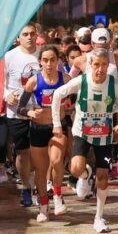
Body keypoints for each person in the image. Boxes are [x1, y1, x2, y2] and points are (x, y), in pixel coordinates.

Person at [52, 48, 118, 233]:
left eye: (104, 65)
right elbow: (57, 95)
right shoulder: (82, 81)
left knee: (103, 178)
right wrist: (57, 124)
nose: (100, 69)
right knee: (76, 169)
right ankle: (86, 176)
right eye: (96, 65)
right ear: (90, 65)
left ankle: (99, 217)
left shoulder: (114, 84)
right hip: (82, 132)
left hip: (105, 136)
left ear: (108, 66)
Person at [17, 45, 70, 222]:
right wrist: (30, 113)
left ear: (58, 61)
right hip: (38, 129)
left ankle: (57, 194)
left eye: (52, 60)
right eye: (45, 60)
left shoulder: (65, 79)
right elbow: (20, 108)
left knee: (56, 161)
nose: (49, 63)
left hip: (57, 127)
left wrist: (69, 107)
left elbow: (77, 99)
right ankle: (44, 206)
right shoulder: (34, 81)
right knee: (40, 171)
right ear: (40, 62)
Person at [3, 23, 41, 207]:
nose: (29, 37)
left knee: (40, 153)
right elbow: (2, 82)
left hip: (41, 111)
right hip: (16, 111)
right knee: (22, 153)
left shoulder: (44, 54)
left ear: (37, 35)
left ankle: (40, 185)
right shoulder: (9, 56)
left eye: (32, 34)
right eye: (25, 34)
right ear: (18, 37)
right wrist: (6, 95)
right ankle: (26, 187)